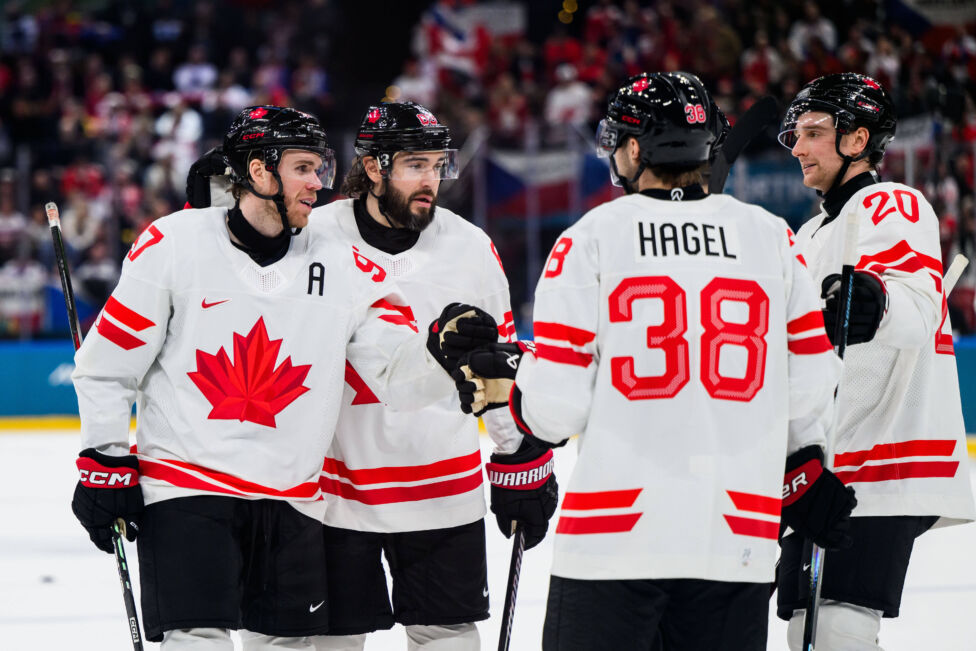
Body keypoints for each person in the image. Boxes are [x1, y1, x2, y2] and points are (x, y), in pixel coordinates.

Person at [69, 105, 498, 649]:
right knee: (196, 639)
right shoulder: (173, 243)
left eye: (319, 167)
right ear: (258, 172)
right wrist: (103, 456)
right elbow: (108, 366)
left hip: (292, 498)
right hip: (186, 487)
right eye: (303, 168)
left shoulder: (341, 263)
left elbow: (393, 374)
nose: (319, 184)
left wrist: (443, 355)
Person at [453, 71, 857, 650]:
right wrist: (804, 474)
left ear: (634, 148)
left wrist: (514, 390)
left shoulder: (589, 237)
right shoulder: (772, 238)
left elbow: (555, 410)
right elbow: (814, 389)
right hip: (735, 538)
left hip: (614, 537)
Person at [304, 101, 558, 651]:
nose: (431, 180)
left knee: (446, 635)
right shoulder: (316, 235)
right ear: (373, 167)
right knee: (331, 641)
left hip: (441, 483)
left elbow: (497, 374)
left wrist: (519, 458)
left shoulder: (471, 248)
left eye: (438, 164)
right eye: (415, 164)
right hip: (335, 492)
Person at [775, 72, 976, 650]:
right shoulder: (808, 232)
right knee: (803, 631)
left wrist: (875, 300)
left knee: (837, 628)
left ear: (857, 141)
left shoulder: (890, 202)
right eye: (797, 134)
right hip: (823, 466)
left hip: (881, 460)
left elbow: (915, 305)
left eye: (815, 133)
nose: (798, 147)